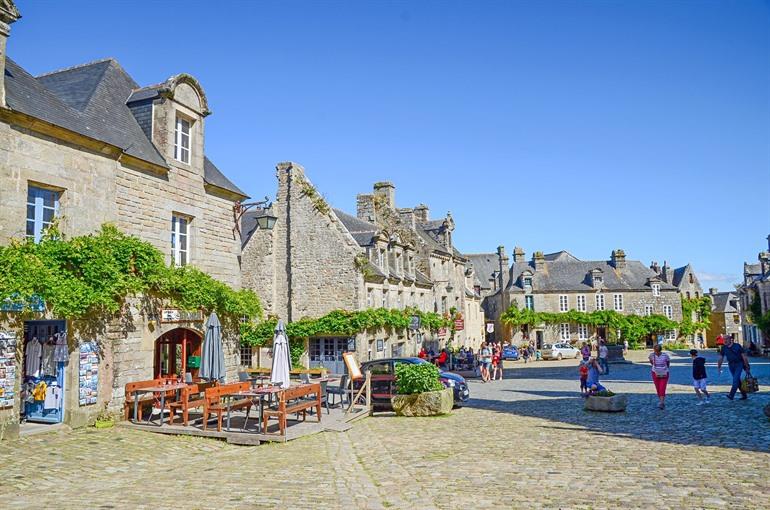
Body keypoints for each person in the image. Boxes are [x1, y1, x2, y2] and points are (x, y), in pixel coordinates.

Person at [717, 335, 751, 401]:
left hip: (739, 364)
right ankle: (744, 395)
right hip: (731, 365)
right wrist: (719, 367)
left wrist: (747, 367)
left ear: (730, 339)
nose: (725, 341)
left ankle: (731, 395)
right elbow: (721, 358)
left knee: (735, 379)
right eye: (724, 339)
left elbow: (744, 357)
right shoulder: (724, 348)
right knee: (737, 380)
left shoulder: (737, 346)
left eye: (726, 339)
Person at [649, 344, 671, 409]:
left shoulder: (665, 355)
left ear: (660, 350)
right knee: (658, 387)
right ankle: (661, 400)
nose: (656, 352)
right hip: (655, 372)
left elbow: (668, 363)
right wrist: (657, 368)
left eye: (657, 351)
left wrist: (664, 369)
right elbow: (651, 362)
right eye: (655, 351)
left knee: (662, 387)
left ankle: (662, 403)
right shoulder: (651, 355)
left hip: (664, 373)